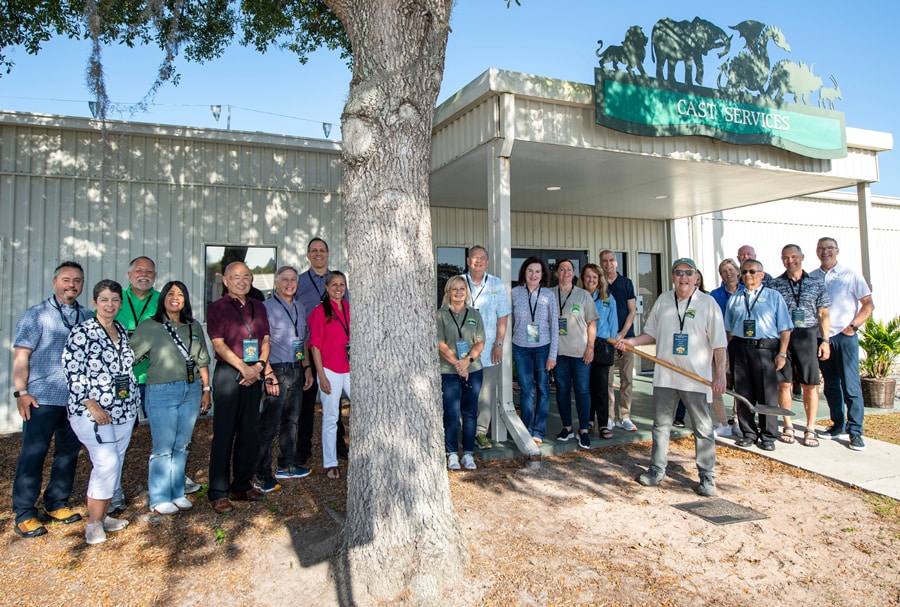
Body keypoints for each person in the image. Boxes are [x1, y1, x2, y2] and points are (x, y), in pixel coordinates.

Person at [616, 258, 726, 497]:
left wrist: (720, 374)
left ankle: (707, 476)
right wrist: (631, 342)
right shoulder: (664, 300)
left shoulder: (708, 303)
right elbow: (651, 333)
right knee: (661, 426)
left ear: (696, 277)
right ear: (673, 276)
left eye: (688, 273)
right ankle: (656, 469)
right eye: (678, 273)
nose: (683, 277)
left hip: (695, 378)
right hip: (665, 376)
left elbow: (719, 344)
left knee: (703, 427)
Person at [12, 261, 91, 538]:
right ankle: (24, 512)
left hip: (76, 401)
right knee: (33, 455)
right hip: (42, 398)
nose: (72, 285)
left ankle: (56, 503)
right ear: (54, 282)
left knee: (67, 455)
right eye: (66, 279)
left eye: (78, 280)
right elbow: (22, 355)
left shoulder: (87, 316)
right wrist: (21, 392)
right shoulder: (36, 315)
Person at [115, 256, 201, 509]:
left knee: (176, 438)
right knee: (121, 438)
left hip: (160, 379)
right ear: (129, 274)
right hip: (129, 380)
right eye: (138, 270)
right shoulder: (116, 300)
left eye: (149, 271)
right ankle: (113, 490)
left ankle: (174, 486)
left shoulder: (161, 300)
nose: (144, 274)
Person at [62, 280, 140, 544]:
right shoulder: (82, 332)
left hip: (123, 409)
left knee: (115, 462)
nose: (110, 305)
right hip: (93, 412)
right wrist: (92, 405)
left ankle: (104, 515)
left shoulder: (119, 328)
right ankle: (93, 523)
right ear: (95, 302)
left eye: (115, 300)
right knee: (105, 463)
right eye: (104, 300)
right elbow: (73, 372)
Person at [130, 281, 212, 515]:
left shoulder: (193, 326)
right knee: (163, 447)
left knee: (182, 445)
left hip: (192, 389)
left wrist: (207, 389)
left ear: (185, 300)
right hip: (161, 392)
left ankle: (177, 492)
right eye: (171, 293)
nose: (175, 297)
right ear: (163, 298)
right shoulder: (149, 326)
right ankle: (158, 497)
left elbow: (202, 361)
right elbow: (129, 357)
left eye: (180, 294)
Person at [206, 262, 272, 513]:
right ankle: (219, 491)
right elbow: (218, 344)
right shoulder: (218, 307)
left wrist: (258, 367)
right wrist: (243, 368)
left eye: (246, 276)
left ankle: (241, 485)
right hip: (229, 375)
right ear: (225, 280)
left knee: (250, 431)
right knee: (224, 434)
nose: (241, 281)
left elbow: (265, 340)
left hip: (254, 373)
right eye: (236, 277)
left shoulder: (259, 306)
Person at [811, 237, 875, 451]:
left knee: (851, 385)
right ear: (816, 252)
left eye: (829, 248)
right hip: (822, 338)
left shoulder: (850, 275)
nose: (825, 252)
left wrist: (853, 327)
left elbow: (868, 304)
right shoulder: (812, 277)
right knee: (830, 385)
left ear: (837, 250)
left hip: (844, 337)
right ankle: (838, 424)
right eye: (821, 249)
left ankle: (855, 431)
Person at [725, 258, 793, 451]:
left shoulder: (773, 297)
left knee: (767, 393)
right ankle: (749, 432)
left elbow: (785, 329)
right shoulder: (735, 298)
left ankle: (769, 435)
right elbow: (729, 329)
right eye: (744, 271)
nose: (748, 275)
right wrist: (730, 354)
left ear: (761, 275)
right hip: (740, 348)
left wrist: (782, 353)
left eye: (752, 271)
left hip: (765, 349)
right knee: (743, 393)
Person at [256, 266, 314, 490]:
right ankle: (262, 473)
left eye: (294, 280)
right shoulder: (266, 308)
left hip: (296, 369)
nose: (290, 283)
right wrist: (267, 372)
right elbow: (262, 341)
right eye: (285, 280)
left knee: (291, 421)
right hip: (276, 370)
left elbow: (303, 340)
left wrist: (307, 368)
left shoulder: (299, 306)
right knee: (269, 424)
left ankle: (286, 465)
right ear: (276, 283)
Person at [770, 244, 831, 448]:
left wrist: (825, 341)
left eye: (794, 257)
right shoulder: (775, 284)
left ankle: (810, 427)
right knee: (784, 383)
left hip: (807, 335)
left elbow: (823, 313)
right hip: (783, 337)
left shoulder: (815, 283)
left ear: (802, 257)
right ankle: (787, 424)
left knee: (810, 385)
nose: (790, 261)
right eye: (786, 258)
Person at [296, 238, 348, 462]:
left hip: (337, 356)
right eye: (314, 251)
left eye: (322, 250)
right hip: (310, 351)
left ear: (327, 254)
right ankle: (303, 451)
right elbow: (296, 324)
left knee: (333, 406)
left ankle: (339, 448)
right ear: (308, 255)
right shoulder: (299, 282)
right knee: (306, 404)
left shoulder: (340, 286)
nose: (318, 254)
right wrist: (305, 363)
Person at [437, 276, 486, 470]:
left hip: (473, 370)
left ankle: (467, 453)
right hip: (448, 371)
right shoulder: (440, 315)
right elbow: (440, 344)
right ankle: (451, 454)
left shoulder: (475, 314)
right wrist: (458, 364)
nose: (458, 293)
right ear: (448, 291)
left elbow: (480, 342)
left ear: (467, 292)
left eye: (462, 289)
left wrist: (467, 362)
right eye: (454, 289)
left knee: (470, 413)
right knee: (451, 413)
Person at [465, 246, 510, 451]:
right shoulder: (458, 283)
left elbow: (503, 315)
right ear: (468, 261)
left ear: (488, 262)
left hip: (490, 349)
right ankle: (465, 431)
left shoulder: (496, 284)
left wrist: (499, 343)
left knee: (485, 393)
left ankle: (481, 433)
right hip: (463, 350)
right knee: (462, 392)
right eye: (475, 258)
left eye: (483, 258)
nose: (479, 261)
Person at [510, 257, 558, 446]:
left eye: (537, 271)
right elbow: (510, 321)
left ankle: (538, 430)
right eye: (530, 271)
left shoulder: (548, 295)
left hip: (543, 348)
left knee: (543, 390)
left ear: (542, 275)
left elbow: (554, 326)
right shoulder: (514, 293)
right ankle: (526, 429)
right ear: (524, 272)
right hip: (521, 348)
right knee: (527, 390)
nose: (533, 275)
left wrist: (552, 355)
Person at [552, 259, 599, 449]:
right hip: (558, 352)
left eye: (569, 270)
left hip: (580, 352)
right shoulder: (549, 294)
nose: (565, 273)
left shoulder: (583, 295)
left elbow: (592, 323)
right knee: (562, 390)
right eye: (562, 269)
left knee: (582, 390)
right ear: (557, 273)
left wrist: (590, 348)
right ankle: (567, 427)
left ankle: (584, 430)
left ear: (573, 273)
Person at [309, 271, 351, 479]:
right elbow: (315, 346)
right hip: (329, 369)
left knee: (366, 409)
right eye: (334, 284)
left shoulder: (350, 309)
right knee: (331, 416)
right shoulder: (320, 312)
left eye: (342, 284)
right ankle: (330, 462)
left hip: (350, 369)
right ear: (326, 287)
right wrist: (321, 376)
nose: (338, 288)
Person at [599, 249, 638, 432]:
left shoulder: (626, 283)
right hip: (606, 341)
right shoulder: (600, 284)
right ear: (601, 264)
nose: (608, 264)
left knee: (626, 379)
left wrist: (622, 334)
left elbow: (632, 310)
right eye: (605, 261)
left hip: (626, 339)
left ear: (616, 262)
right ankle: (609, 417)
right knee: (607, 380)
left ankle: (625, 416)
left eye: (611, 260)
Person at [580, 263, 617, 439]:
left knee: (601, 387)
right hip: (581, 345)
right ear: (583, 278)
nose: (591, 280)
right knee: (585, 386)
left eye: (594, 277)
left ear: (599, 279)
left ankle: (603, 424)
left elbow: (613, 323)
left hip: (602, 345)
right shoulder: (577, 296)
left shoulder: (608, 298)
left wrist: (613, 344)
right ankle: (588, 421)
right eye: (588, 276)